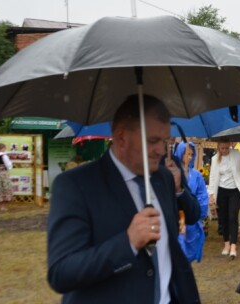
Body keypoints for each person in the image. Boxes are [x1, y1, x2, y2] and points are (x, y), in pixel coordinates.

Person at [47, 94, 201, 303]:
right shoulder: (76, 186)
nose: (161, 151)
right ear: (121, 138)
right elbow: (61, 273)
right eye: (153, 141)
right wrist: (127, 242)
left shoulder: (163, 178)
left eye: (164, 141)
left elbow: (171, 249)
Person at [208, 141, 240, 258]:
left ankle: (233, 245)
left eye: (226, 148)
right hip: (221, 191)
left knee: (232, 216)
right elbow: (213, 177)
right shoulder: (215, 159)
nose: (224, 151)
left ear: (230, 145)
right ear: (218, 147)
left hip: (235, 190)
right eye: (222, 148)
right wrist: (211, 194)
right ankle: (226, 244)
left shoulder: (237, 154)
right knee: (223, 218)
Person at [174, 141, 209, 263]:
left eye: (191, 154)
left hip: (192, 220)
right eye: (185, 154)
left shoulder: (196, 175)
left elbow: (202, 196)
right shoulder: (172, 173)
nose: (188, 157)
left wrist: (196, 211)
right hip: (176, 220)